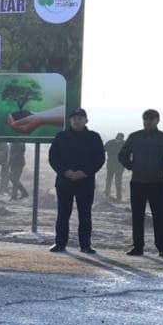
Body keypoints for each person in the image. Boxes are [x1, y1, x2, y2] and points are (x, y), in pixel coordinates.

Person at [117, 109, 163, 257]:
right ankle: (138, 247)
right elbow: (123, 155)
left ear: (157, 120)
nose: (148, 122)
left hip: (157, 182)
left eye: (151, 119)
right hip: (138, 182)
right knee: (137, 216)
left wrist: (162, 168)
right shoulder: (135, 137)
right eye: (145, 119)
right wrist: (131, 166)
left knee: (159, 217)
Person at [47, 108, 105, 253]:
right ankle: (60, 244)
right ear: (70, 120)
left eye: (80, 118)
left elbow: (99, 159)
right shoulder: (61, 136)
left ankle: (85, 245)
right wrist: (65, 171)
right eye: (74, 118)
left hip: (85, 182)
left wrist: (84, 172)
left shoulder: (94, 137)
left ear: (86, 120)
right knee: (63, 214)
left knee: (85, 214)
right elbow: (53, 158)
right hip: (64, 182)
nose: (76, 121)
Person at [103, 132, 126, 201]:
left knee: (114, 181)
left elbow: (102, 150)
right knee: (113, 180)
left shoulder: (111, 143)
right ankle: (113, 195)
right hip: (115, 165)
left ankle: (114, 195)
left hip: (116, 165)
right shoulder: (124, 143)